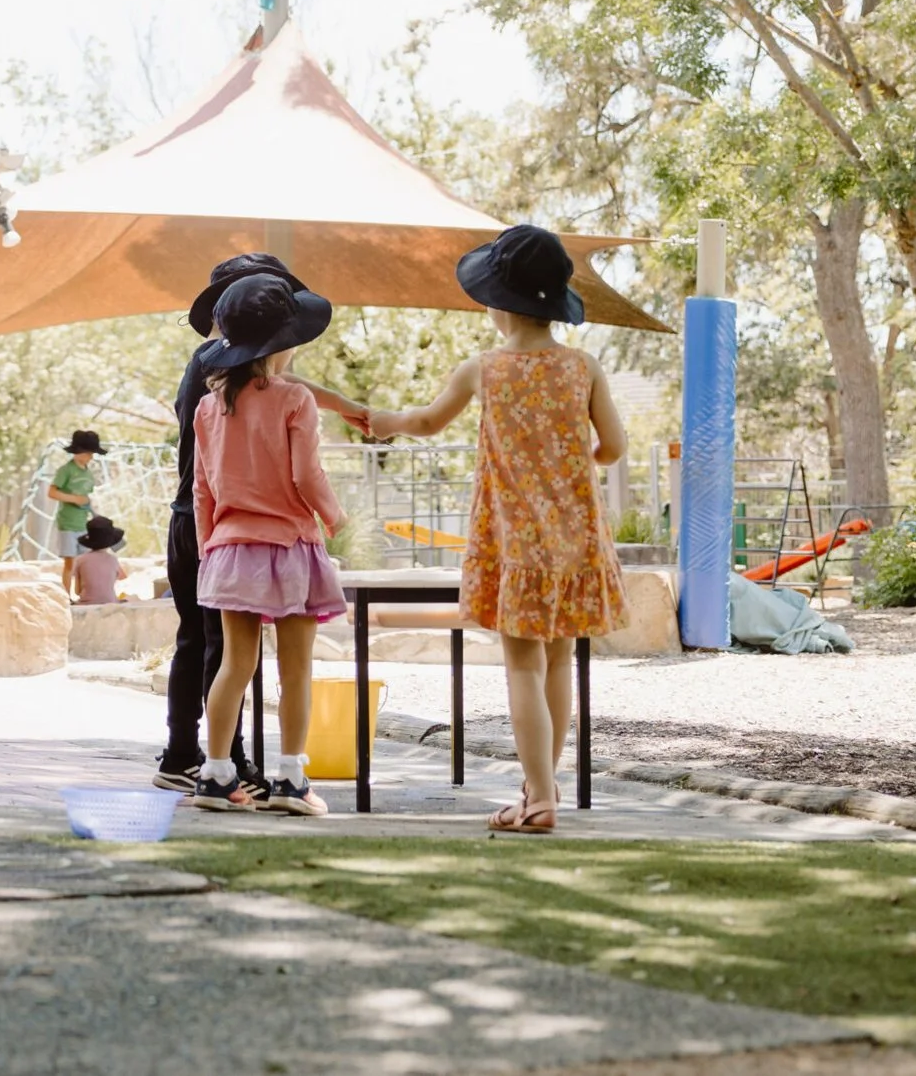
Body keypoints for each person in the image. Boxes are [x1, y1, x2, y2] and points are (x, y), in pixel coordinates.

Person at [369, 226, 628, 833]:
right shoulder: (583, 367)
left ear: (496, 302)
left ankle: (538, 798)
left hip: (513, 538)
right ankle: (543, 788)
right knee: (559, 662)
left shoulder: (484, 369)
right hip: (574, 537)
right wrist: (573, 467)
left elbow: (428, 421)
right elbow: (613, 447)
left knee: (522, 668)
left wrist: (386, 421)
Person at [157, 254, 368, 795]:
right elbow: (305, 469)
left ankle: (212, 768)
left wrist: (211, 544)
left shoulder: (212, 395)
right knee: (288, 667)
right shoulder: (287, 396)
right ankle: (288, 775)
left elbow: (205, 483)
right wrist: (336, 517)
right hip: (284, 542)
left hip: (222, 540)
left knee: (226, 659)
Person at [47, 430, 103, 597]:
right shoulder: (66, 470)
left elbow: (87, 496)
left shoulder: (88, 473)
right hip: (68, 523)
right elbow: (52, 493)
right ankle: (66, 595)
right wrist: (74, 499)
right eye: (87, 452)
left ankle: (82, 594)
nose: (89, 456)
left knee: (83, 562)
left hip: (83, 523)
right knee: (70, 562)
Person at [71, 514, 125, 605]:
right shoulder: (113, 560)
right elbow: (118, 580)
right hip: (110, 602)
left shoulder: (80, 560)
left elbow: (77, 591)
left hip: (86, 603)